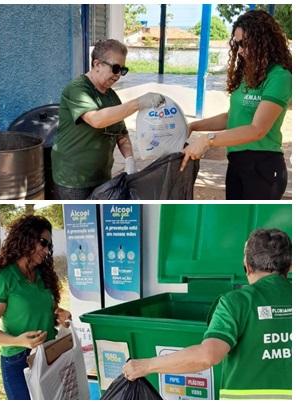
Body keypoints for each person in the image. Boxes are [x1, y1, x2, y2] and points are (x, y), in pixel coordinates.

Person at [123, 228, 291, 400]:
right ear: (289, 266)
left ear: (247, 266)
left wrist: (146, 366)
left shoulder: (236, 302)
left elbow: (207, 356)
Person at [181, 10, 291, 200]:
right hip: (237, 163)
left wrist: (208, 140)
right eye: (236, 44)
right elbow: (230, 117)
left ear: (263, 42)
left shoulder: (279, 77)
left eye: (243, 44)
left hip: (263, 166)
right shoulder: (249, 74)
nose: (239, 50)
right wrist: (193, 126)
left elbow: (257, 129)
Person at [51, 39, 165, 200]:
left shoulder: (111, 96)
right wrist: (137, 103)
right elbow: (96, 120)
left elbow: (121, 133)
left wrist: (130, 159)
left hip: (101, 176)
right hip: (73, 178)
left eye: (123, 70)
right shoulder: (77, 89)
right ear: (97, 64)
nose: (118, 75)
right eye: (116, 68)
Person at [0, 215, 72, 399]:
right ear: (26, 238)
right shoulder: (5, 277)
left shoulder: (42, 275)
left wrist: (62, 315)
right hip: (18, 359)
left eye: (49, 245)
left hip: (48, 353)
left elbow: (50, 311)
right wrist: (20, 341)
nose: (46, 250)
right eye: (43, 242)